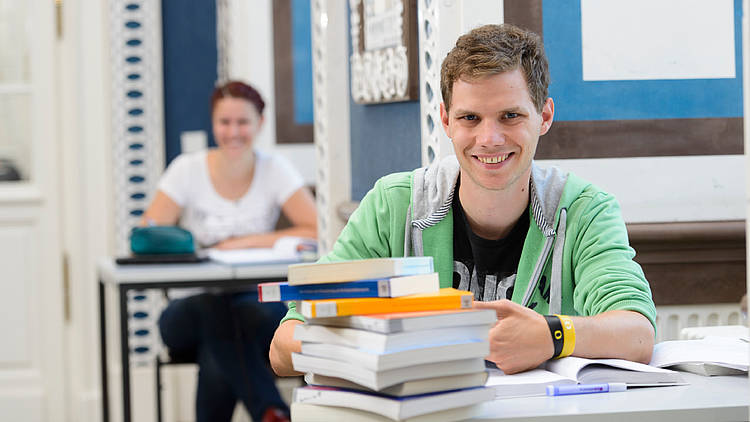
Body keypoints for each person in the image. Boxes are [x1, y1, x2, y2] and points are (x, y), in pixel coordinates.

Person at [269, 24, 656, 377]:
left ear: (544, 116)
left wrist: (554, 334)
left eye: (510, 116)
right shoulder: (393, 205)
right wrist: (365, 343)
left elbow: (637, 332)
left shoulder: (586, 209)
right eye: (470, 118)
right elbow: (284, 345)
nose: (489, 138)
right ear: (446, 120)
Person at [143, 80, 316, 422]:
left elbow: (315, 228)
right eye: (225, 122)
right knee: (215, 310)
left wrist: (242, 242)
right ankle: (272, 411)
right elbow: (150, 234)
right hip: (187, 312)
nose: (233, 131)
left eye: (243, 122)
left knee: (226, 331)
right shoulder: (186, 169)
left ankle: (270, 413)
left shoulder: (274, 169)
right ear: (213, 123)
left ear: (259, 124)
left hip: (252, 306)